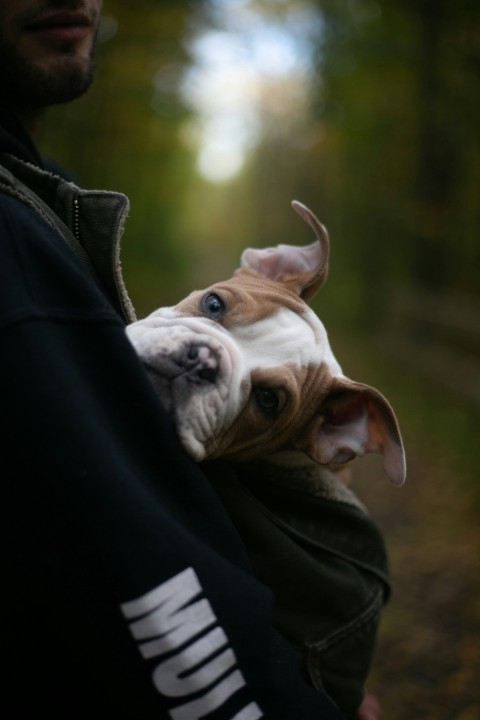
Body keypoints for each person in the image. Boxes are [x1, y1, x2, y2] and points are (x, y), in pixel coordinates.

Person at [1, 2, 386, 718]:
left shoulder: (43, 192)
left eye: (266, 397)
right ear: (267, 263)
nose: (205, 361)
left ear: (334, 438)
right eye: (215, 309)